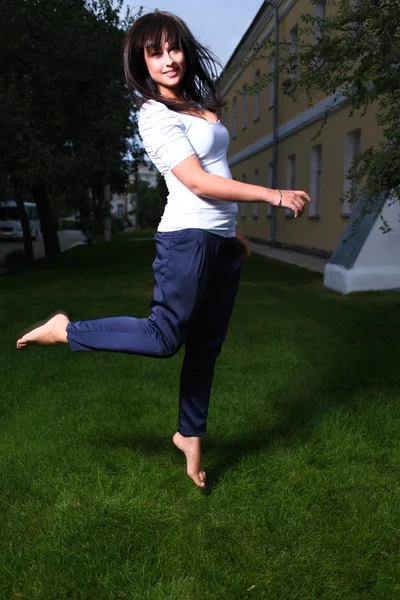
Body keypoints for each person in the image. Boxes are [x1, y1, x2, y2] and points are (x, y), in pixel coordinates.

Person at [16, 11, 311, 488]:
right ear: (142, 62)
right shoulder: (153, 115)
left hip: (216, 241)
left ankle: (189, 436)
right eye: (155, 53)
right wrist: (272, 195)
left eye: (173, 48)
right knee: (162, 337)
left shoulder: (196, 103)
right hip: (186, 240)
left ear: (185, 49)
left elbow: (217, 168)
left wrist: (229, 233)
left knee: (206, 347)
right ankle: (67, 330)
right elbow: (195, 181)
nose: (168, 59)